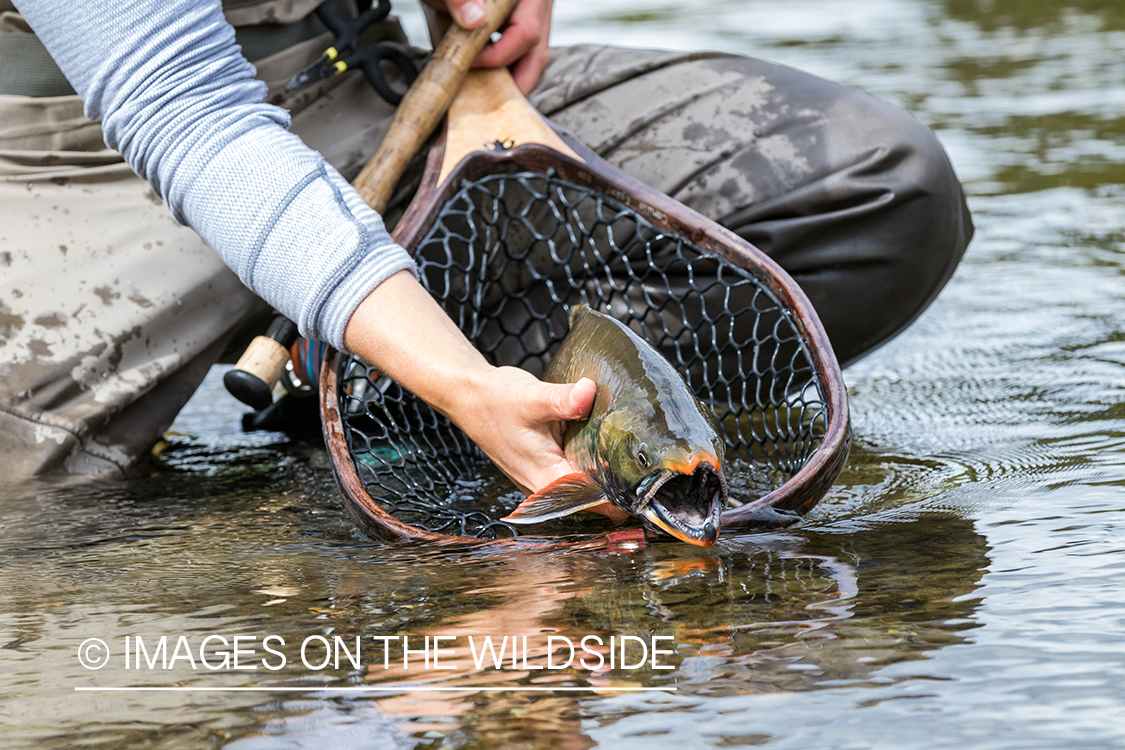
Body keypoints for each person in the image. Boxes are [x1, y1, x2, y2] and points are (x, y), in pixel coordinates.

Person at [0, 0, 972, 487]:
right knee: (39, 561)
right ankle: (435, 390)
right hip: (75, 169)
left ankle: (378, 413)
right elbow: (188, 117)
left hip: (365, 81)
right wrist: (463, 380)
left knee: (879, 191)